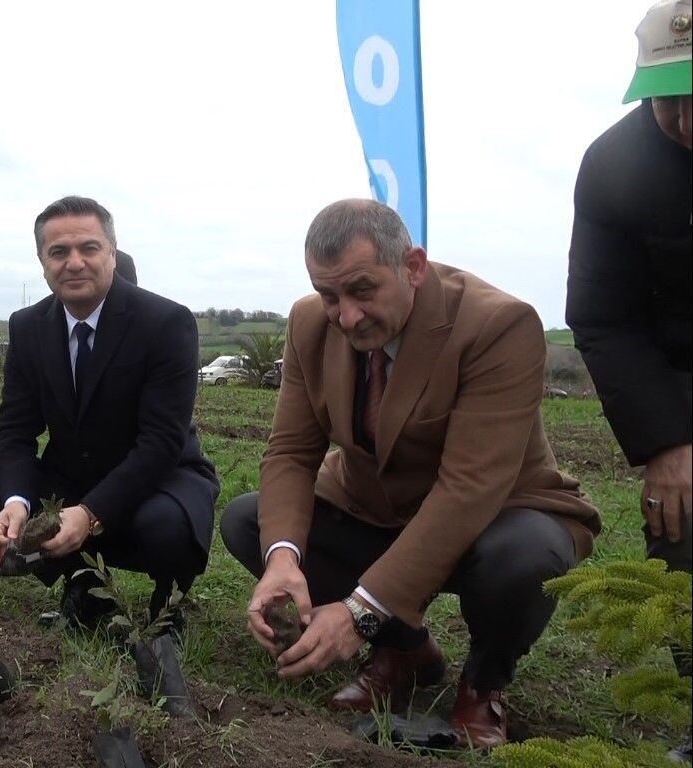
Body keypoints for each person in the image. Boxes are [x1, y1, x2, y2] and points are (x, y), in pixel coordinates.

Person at [222, 199, 601, 749]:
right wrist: (282, 560)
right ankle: (404, 652)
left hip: (494, 515)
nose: (346, 316)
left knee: (526, 557)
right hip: (373, 507)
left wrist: (357, 613)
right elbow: (290, 452)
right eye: (330, 296)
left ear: (413, 267)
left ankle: (482, 684)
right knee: (249, 520)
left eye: (362, 290)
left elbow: (469, 487)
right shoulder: (309, 324)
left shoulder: (499, 325)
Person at [0, 196, 219, 628]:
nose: (74, 263)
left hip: (161, 474)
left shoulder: (165, 322)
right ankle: (80, 581)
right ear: (43, 263)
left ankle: (169, 601)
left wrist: (90, 512)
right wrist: (18, 501)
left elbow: (161, 442)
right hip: (72, 474)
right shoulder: (27, 327)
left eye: (89, 248)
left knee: (167, 527)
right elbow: (15, 431)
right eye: (58, 252)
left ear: (112, 255)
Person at [566, 1, 691, 759]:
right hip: (672, 379)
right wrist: (667, 442)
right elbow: (604, 318)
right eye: (667, 96)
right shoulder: (614, 165)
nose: (683, 118)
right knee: (680, 524)